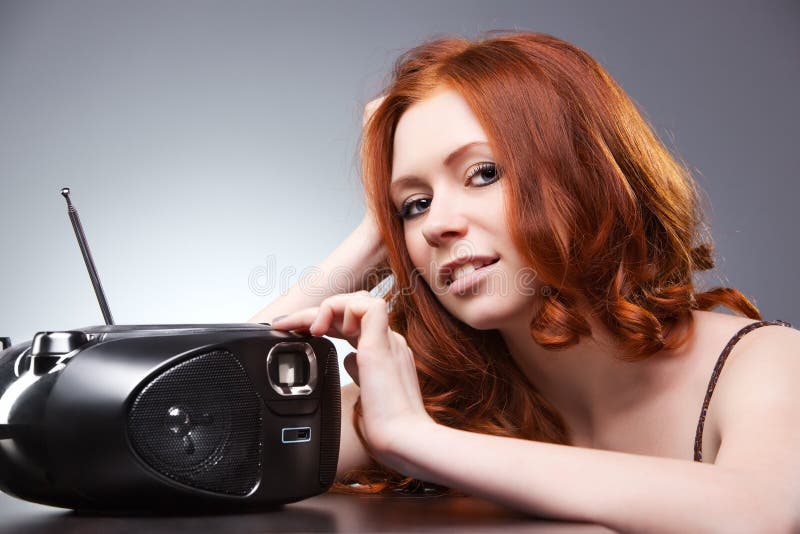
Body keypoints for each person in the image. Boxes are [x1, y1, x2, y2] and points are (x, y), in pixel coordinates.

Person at [248, 31, 800, 531]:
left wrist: (417, 441)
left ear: (585, 175)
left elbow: (762, 512)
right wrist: (375, 238)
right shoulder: (437, 397)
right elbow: (198, 425)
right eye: (416, 204)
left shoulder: (765, 363)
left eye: (483, 174)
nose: (438, 224)